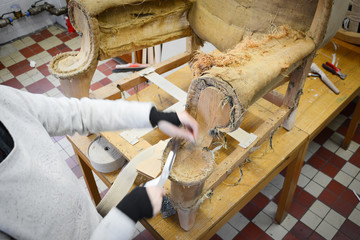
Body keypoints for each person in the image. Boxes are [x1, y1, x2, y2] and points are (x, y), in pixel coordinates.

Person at [0, 84, 199, 240]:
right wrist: (127, 214)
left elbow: (79, 113)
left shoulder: (5, 100)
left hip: (92, 224)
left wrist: (154, 116)